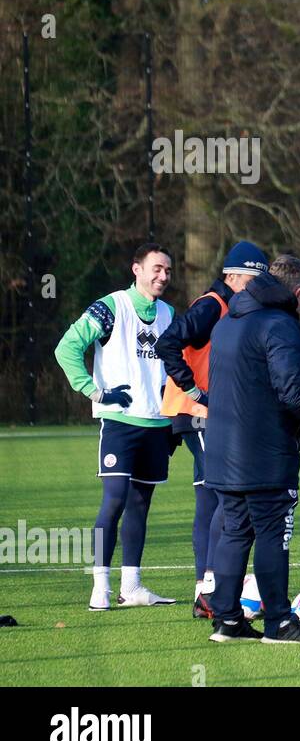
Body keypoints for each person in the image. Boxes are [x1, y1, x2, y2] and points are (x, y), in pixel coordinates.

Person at [204, 256, 300, 643]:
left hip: (222, 452)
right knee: (273, 535)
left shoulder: (227, 323)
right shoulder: (282, 326)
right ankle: (279, 624)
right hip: (265, 454)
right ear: (298, 293)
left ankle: (228, 621)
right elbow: (293, 392)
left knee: (234, 533)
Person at [54, 243, 177, 610]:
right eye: (156, 268)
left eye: (168, 271)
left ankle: (132, 587)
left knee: (141, 505)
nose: (163, 276)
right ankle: (100, 587)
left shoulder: (169, 314)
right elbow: (67, 348)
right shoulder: (110, 307)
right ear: (136, 269)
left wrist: (177, 415)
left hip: (157, 424)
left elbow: (176, 367)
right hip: (120, 423)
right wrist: (95, 392)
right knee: (115, 501)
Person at [156, 241, 269, 618]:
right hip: (199, 414)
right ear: (232, 276)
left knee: (209, 500)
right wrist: (192, 389)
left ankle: (204, 591)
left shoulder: (233, 308)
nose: (256, 287)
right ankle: (214, 588)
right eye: (252, 279)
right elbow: (168, 342)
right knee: (227, 499)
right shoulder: (212, 306)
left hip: (203, 415)